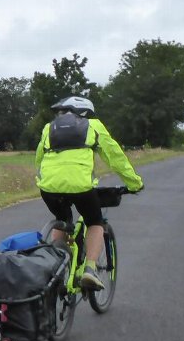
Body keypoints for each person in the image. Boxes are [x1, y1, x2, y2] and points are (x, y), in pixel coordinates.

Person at [35, 96, 144, 291]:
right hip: (81, 187)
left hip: (48, 187)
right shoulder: (93, 125)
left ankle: (55, 266)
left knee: (62, 218)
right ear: (85, 111)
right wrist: (134, 183)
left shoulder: (48, 128)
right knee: (94, 222)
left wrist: (45, 180)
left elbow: (39, 159)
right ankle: (90, 270)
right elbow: (115, 157)